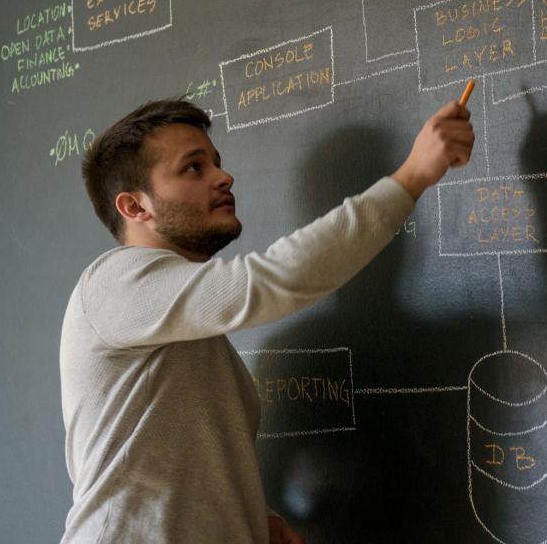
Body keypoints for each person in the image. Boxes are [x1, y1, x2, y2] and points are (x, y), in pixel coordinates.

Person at [59, 97, 474, 544]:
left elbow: (182, 464)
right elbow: (274, 279)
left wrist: (255, 516)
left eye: (216, 162)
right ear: (135, 207)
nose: (224, 177)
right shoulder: (113, 282)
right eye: (194, 168)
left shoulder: (183, 330)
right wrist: (411, 176)